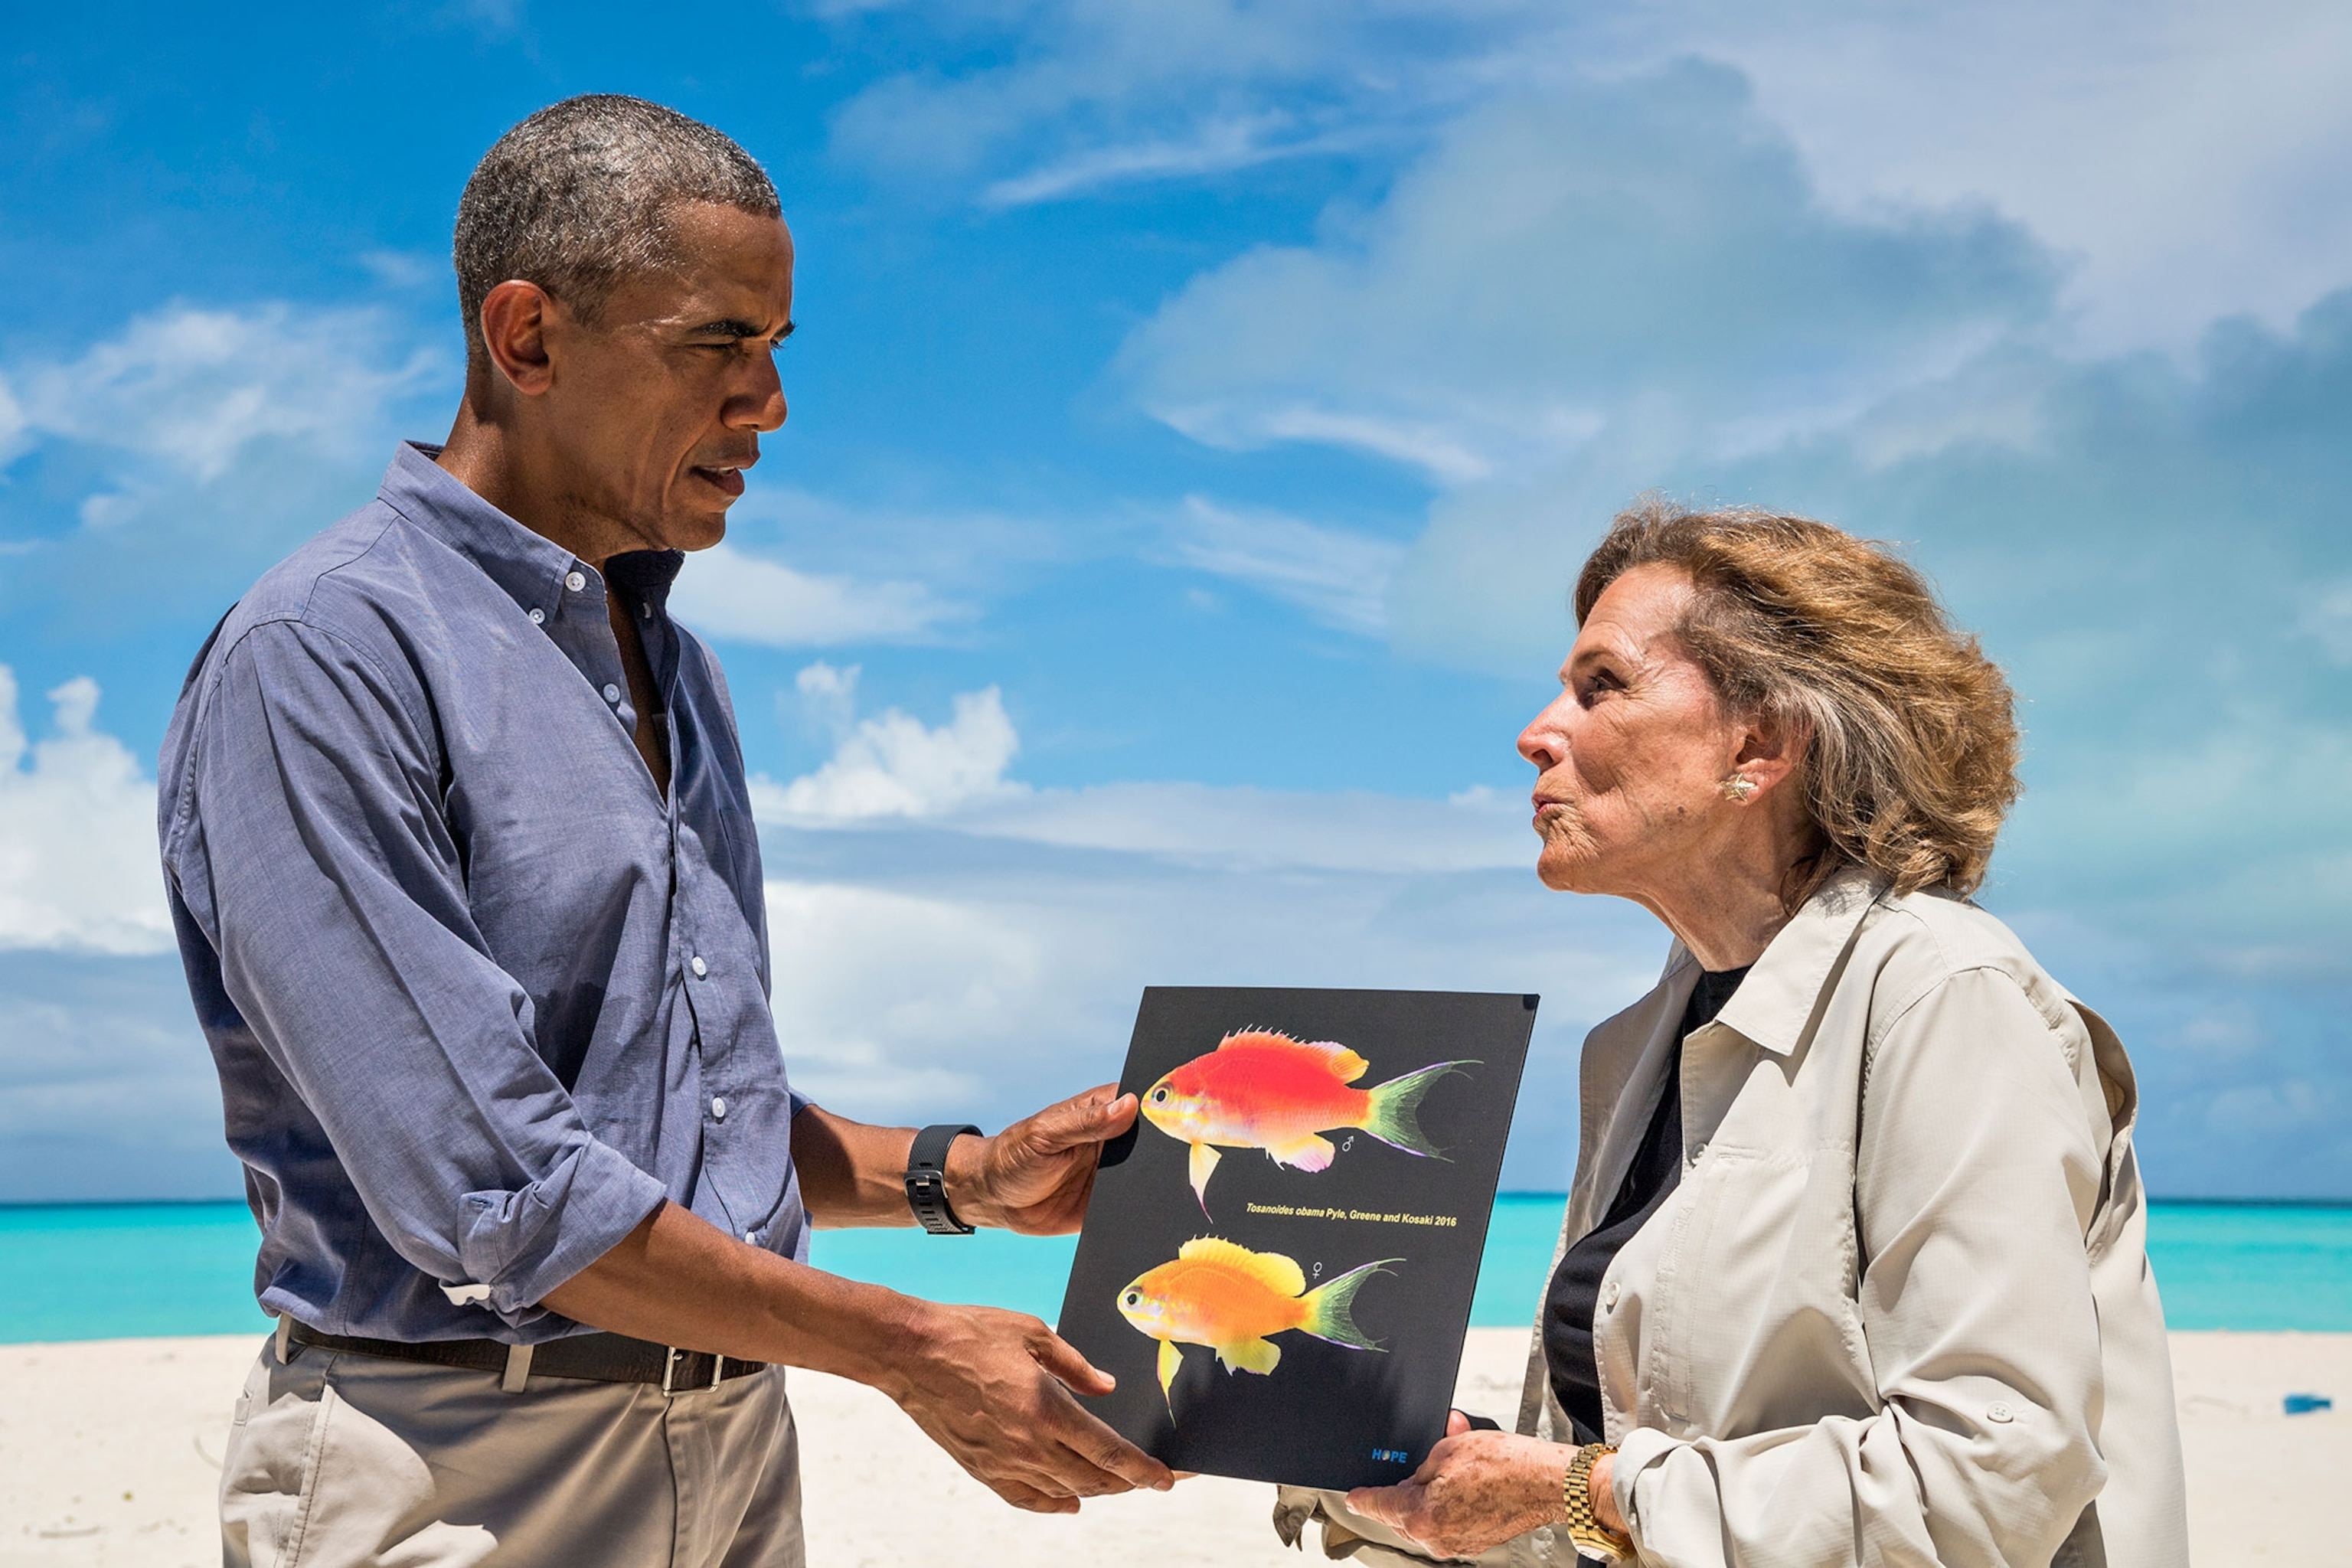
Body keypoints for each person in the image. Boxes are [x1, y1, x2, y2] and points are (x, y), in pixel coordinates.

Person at [157, 95, 1169, 1567]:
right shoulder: (320, 656)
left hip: (737, 1443)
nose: (768, 403)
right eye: (718, 346)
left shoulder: (674, 670)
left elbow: (680, 1124)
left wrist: (958, 1178)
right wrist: (906, 1348)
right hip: (460, 1477)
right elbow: (499, 1192)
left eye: (775, 350)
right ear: (528, 338)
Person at [1276, 501, 2188, 1566]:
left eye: (1599, 685)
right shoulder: (1635, 1046)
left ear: (1759, 743)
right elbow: (1624, 1508)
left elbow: (1986, 1482)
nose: (1537, 733)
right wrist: (1411, 1476)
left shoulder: (1946, 992)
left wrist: (1574, 1491)